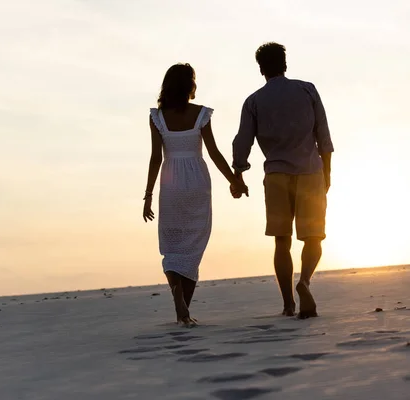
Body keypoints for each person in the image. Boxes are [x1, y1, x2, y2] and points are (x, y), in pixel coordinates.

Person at [232, 43, 334, 319]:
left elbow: (243, 141)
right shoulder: (307, 90)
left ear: (261, 68)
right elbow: (323, 133)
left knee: (281, 241)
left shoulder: (254, 101)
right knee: (313, 238)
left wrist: (238, 174)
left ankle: (289, 303)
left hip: (276, 174)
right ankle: (305, 282)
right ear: (285, 64)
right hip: (310, 170)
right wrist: (327, 171)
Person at [143, 63, 247, 327]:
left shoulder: (158, 116)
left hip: (171, 183)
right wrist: (234, 180)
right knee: (193, 244)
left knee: (172, 245)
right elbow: (213, 152)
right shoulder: (201, 114)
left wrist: (148, 195)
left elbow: (156, 157)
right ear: (190, 85)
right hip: (198, 181)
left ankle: (180, 305)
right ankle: (184, 311)